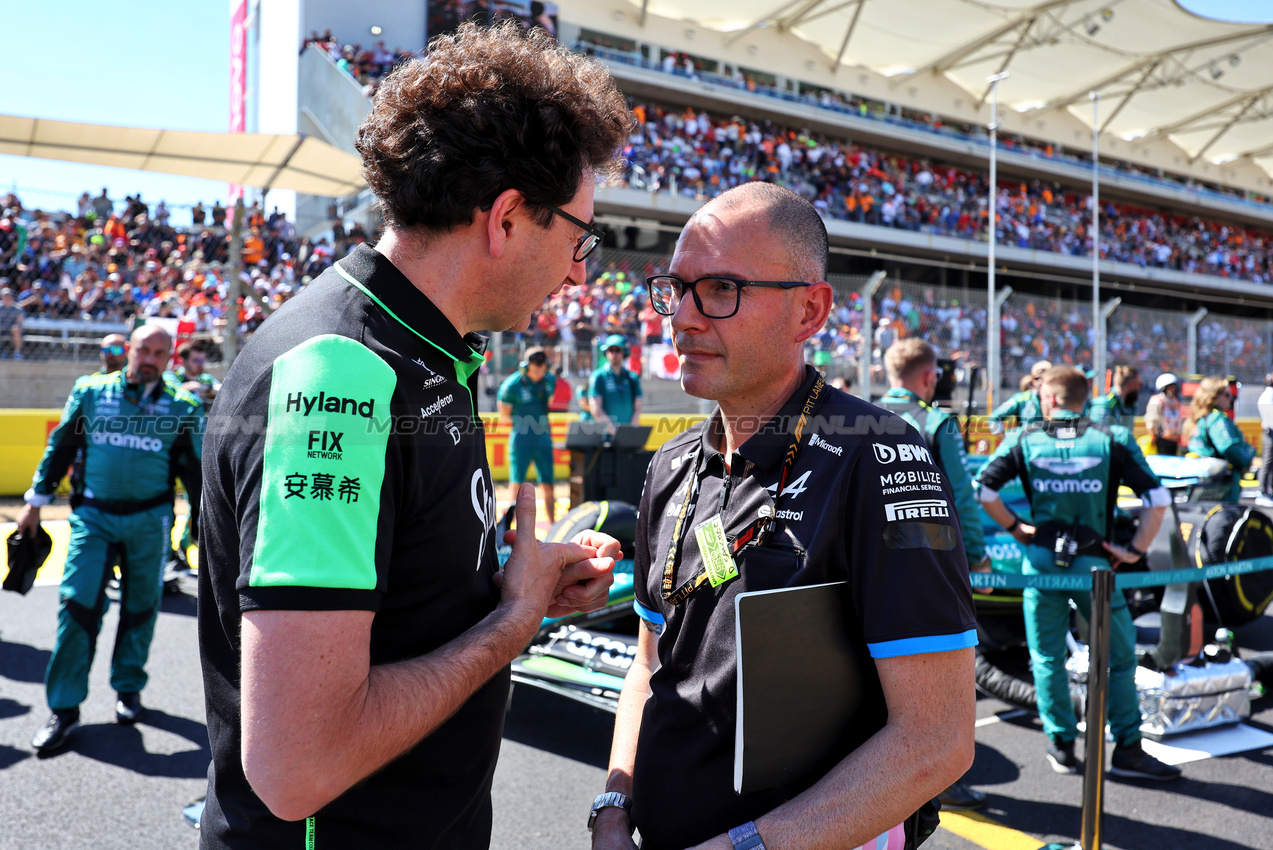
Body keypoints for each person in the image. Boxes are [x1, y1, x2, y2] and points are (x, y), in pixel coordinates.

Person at [197, 21, 632, 848]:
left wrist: (508, 580)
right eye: (579, 240)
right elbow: (297, 767)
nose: (580, 272)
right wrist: (514, 621)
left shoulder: (426, 348)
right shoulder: (341, 375)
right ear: (506, 218)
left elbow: (395, 586)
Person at [591, 183, 976, 850]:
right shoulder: (671, 464)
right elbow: (648, 667)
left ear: (809, 312)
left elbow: (935, 740)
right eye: (674, 289)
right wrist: (612, 809)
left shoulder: (877, 456)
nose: (680, 318)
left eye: (718, 290)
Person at [975, 366, 1181, 781]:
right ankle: (1127, 748)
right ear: (1086, 399)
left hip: (1041, 564)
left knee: (1047, 658)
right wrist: (1135, 549)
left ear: (1048, 399)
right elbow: (1157, 500)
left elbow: (984, 491)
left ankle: (1062, 746)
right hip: (1095, 565)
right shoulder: (1112, 438)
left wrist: (1017, 529)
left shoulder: (1025, 437)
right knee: (1119, 659)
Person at [16, 325, 205, 754]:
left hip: (150, 521)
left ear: (169, 357)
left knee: (141, 609)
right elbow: (60, 446)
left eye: (160, 352)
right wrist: (35, 500)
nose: (150, 358)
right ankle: (64, 710)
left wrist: (200, 529)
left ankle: (128, 687)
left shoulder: (184, 405)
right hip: (92, 518)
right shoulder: (91, 392)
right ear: (129, 349)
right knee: (77, 605)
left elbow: (196, 475)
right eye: (143, 349)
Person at [878, 338, 988, 812]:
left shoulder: (854, 411)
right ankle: (941, 780)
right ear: (929, 378)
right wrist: (978, 555)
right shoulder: (939, 421)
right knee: (939, 685)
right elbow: (962, 496)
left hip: (869, 565)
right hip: (928, 566)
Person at [498, 346, 558, 525]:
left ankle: (554, 526)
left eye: (542, 368)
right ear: (525, 366)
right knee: (516, 485)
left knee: (549, 485)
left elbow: (549, 402)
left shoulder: (549, 380)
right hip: (521, 439)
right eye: (535, 368)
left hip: (543, 438)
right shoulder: (511, 385)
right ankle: (509, 530)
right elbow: (504, 415)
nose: (540, 372)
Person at [1183, 375, 1255, 503]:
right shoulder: (1217, 418)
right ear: (1214, 398)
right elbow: (1228, 447)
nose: (1231, 397)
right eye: (1227, 394)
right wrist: (1248, 455)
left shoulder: (1200, 417)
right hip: (1219, 485)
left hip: (1201, 481)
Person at [589, 333, 642, 433]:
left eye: (617, 350)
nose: (614, 354)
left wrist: (629, 430)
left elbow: (638, 406)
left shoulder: (632, 377)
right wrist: (613, 431)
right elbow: (595, 408)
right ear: (606, 352)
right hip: (604, 436)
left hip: (627, 436)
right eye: (611, 350)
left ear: (624, 352)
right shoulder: (598, 376)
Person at [988, 359, 1051, 430]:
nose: (1040, 381)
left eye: (1044, 377)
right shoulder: (1021, 399)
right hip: (1027, 439)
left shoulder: (1058, 398)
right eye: (1037, 378)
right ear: (1033, 379)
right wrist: (1006, 439)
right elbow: (994, 417)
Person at [1143, 372, 1183, 455]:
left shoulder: (1175, 401)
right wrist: (1153, 433)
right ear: (1164, 388)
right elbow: (1152, 418)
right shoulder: (1157, 401)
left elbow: (1178, 419)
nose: (1174, 389)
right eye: (1170, 387)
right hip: (1161, 439)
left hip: (1174, 439)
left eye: (1174, 386)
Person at [173, 341, 220, 409]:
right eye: (196, 360)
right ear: (182, 361)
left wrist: (204, 388)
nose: (201, 364)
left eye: (203, 360)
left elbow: (222, 390)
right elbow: (176, 391)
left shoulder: (206, 378)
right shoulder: (174, 377)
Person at [1259, 373, 1273, 507]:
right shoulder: (1268, 396)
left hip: (1269, 432)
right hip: (1270, 434)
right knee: (1267, 463)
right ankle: (1262, 491)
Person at [0, 285, 24, 359]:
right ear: (2, 297)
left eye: (9, 295)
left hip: (11, 330)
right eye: (5, 296)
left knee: (16, 329)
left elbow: (19, 322)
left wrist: (17, 327)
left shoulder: (17, 308)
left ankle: (17, 353)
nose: (7, 297)